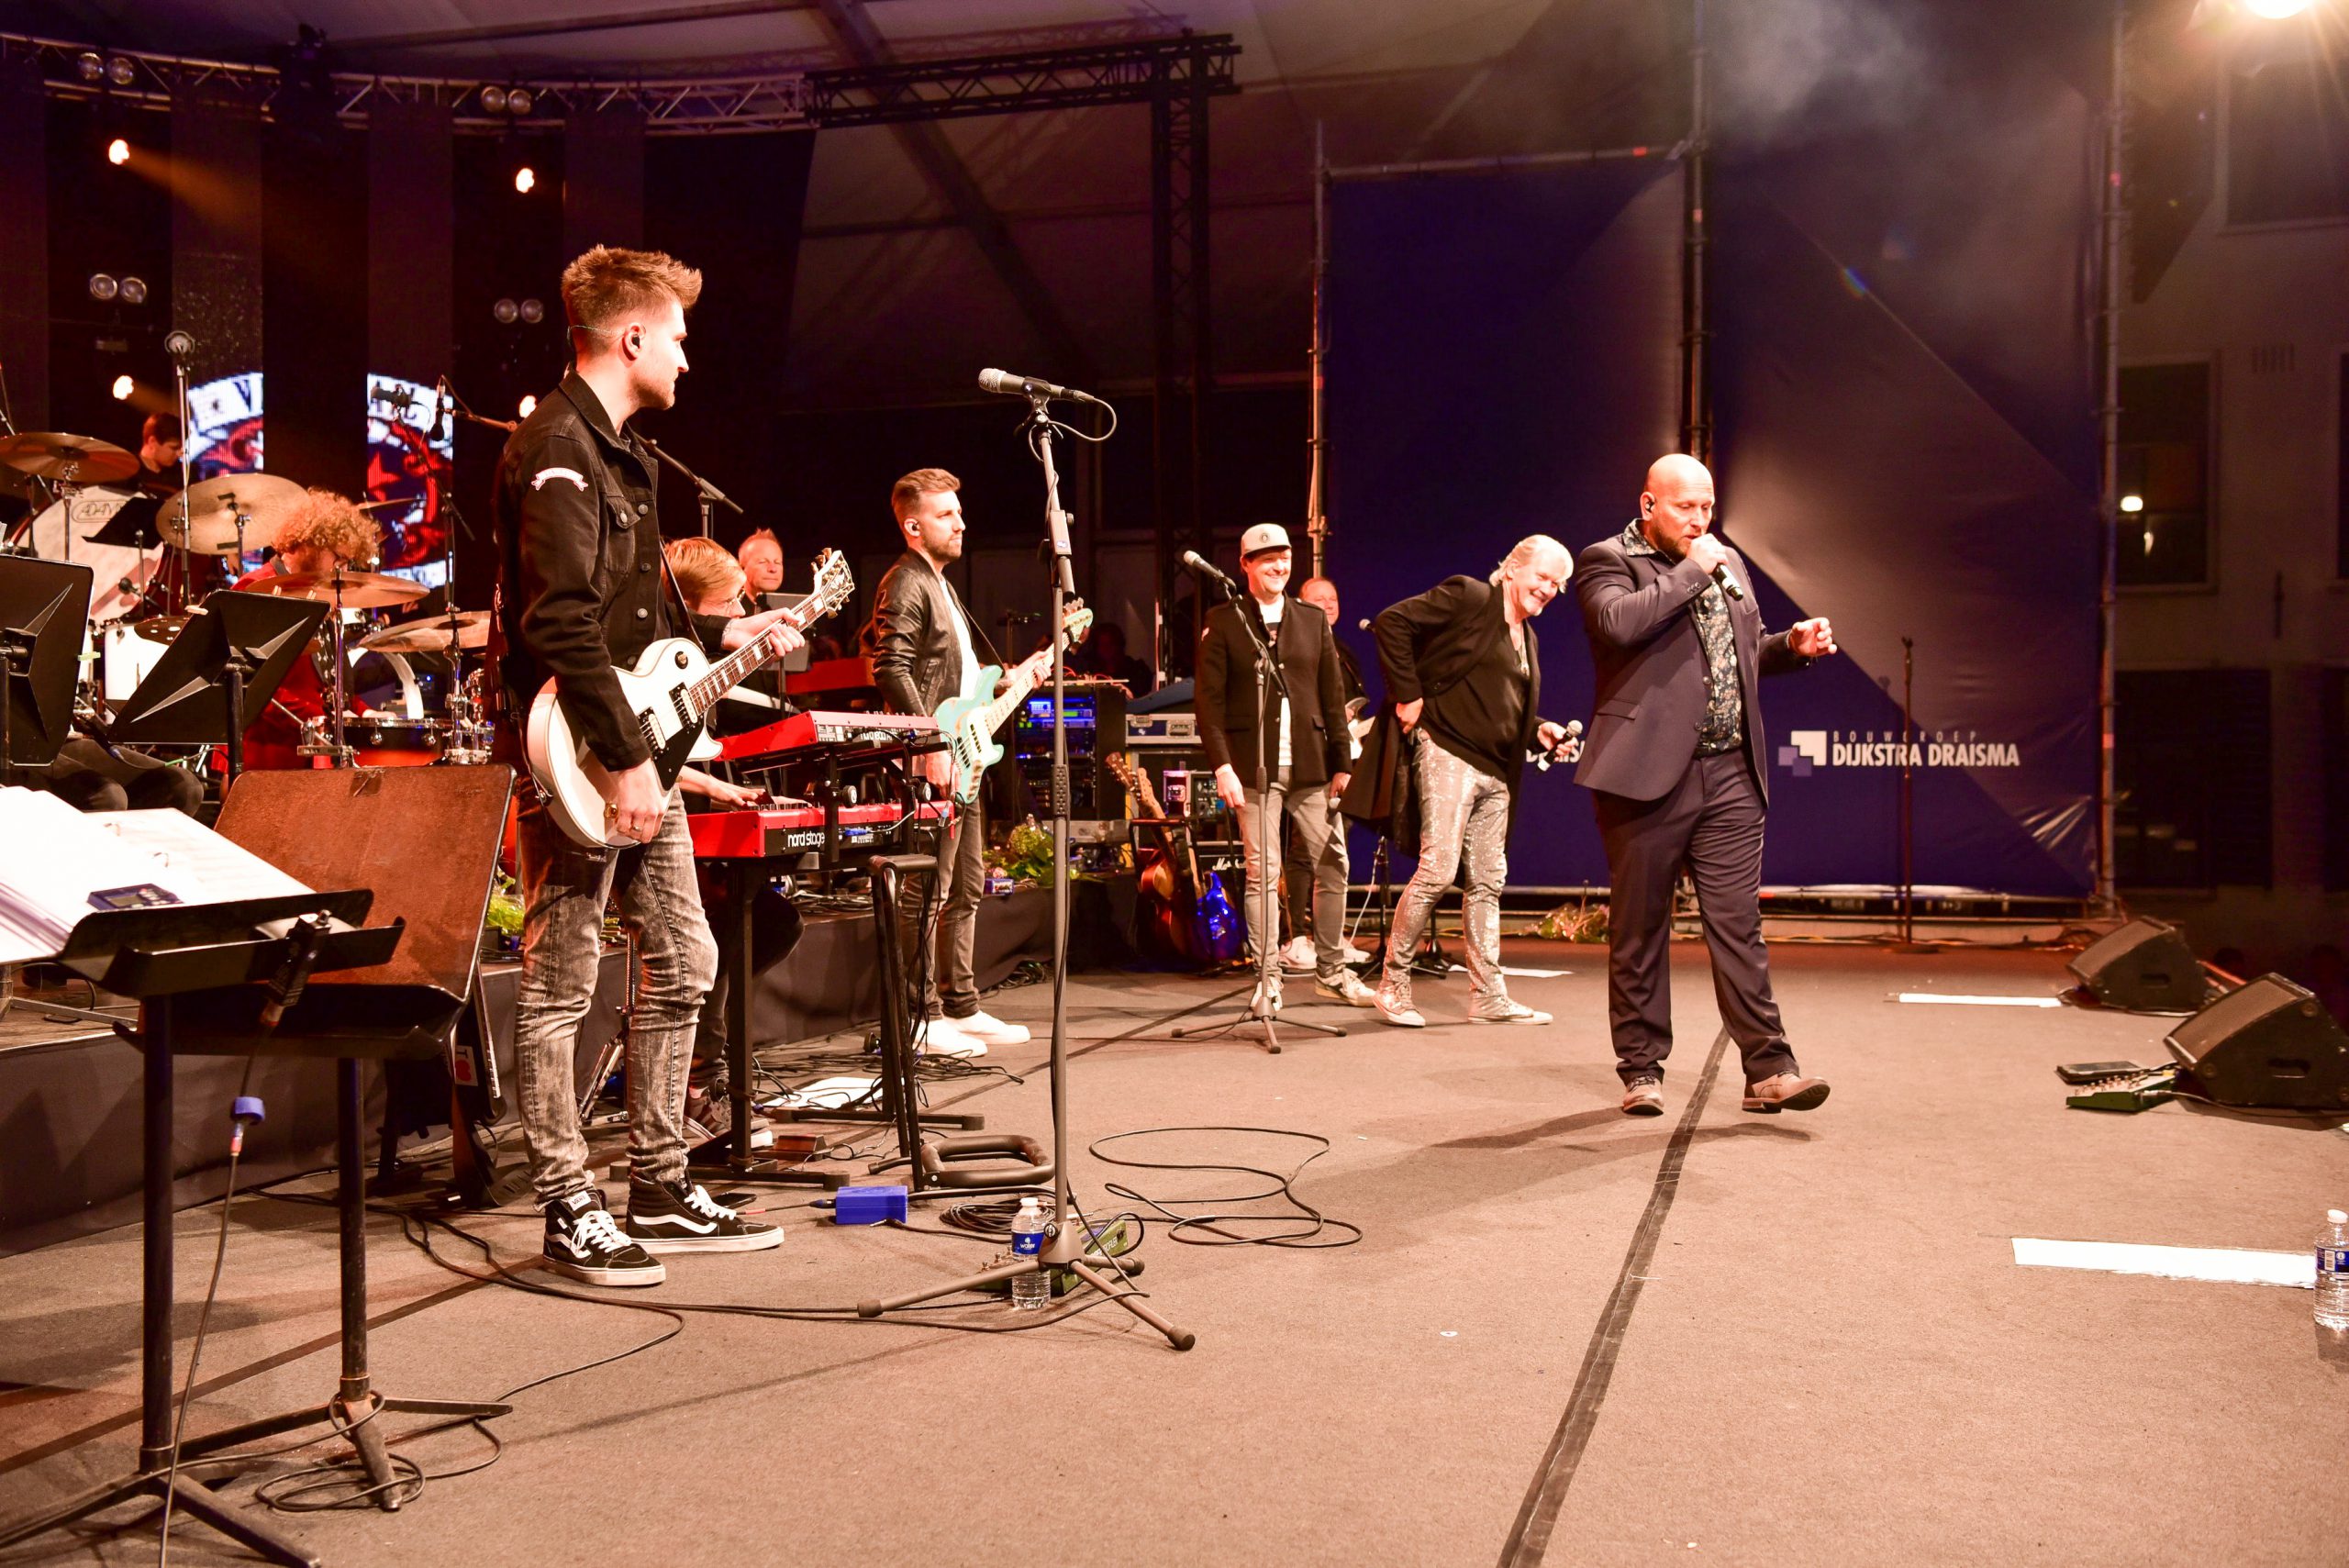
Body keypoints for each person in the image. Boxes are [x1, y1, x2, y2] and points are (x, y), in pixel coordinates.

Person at [492, 244, 806, 1286]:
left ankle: (660, 1183)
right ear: (630, 337)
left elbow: (629, 630)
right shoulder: (556, 446)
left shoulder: (626, 454)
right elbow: (559, 625)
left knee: (687, 957)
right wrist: (629, 763)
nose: (686, 357)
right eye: (675, 336)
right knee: (561, 982)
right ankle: (566, 1202)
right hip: (580, 757)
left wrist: (723, 643)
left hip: (633, 745)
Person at [1573, 453, 1838, 1118]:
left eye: (1707, 507)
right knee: (1640, 928)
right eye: (1685, 506)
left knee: (1738, 924)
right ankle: (1641, 1068)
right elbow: (1619, 624)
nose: (1699, 519)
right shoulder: (1608, 560)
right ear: (1648, 505)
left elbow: (1741, 652)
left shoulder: (1728, 562)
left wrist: (1790, 647)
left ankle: (1769, 1068)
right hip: (1644, 777)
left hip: (1730, 772)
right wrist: (1695, 569)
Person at [1368, 536, 1580, 1028]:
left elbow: (1497, 700)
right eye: (1542, 577)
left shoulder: (1527, 638)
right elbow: (1392, 622)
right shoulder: (1472, 597)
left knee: (1487, 882)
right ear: (1512, 568)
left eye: (1557, 584)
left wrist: (1538, 729)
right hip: (1448, 749)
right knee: (1438, 870)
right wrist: (1408, 694)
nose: (1548, 590)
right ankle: (1393, 984)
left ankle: (1489, 996)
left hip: (1496, 770)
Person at [867, 467, 1042, 1055]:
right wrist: (929, 744)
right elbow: (890, 667)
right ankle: (921, 1016)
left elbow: (957, 682)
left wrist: (1011, 681)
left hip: (962, 758)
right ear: (914, 526)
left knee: (965, 887)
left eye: (959, 512)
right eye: (946, 514)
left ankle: (960, 1004)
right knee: (927, 891)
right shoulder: (906, 581)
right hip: (933, 761)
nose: (961, 523)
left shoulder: (942, 585)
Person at [1197, 523, 1371, 1015]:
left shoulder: (1311, 620)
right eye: (1268, 558)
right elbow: (1209, 704)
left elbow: (1333, 696)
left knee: (1334, 862)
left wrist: (1342, 763)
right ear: (1246, 565)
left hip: (1312, 765)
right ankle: (1268, 978)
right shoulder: (1225, 620)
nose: (1279, 566)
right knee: (1262, 872)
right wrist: (1222, 766)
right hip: (1254, 766)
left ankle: (1331, 972)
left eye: (1285, 558)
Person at [229, 487, 382, 771]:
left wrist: (364, 712)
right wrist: (320, 718)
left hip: (313, 754)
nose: (341, 569)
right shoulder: (256, 587)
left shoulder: (322, 596)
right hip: (266, 756)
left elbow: (328, 681)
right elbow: (250, 684)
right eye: (338, 558)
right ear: (311, 542)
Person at [1284, 574, 1370, 973]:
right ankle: (1296, 938)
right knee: (1304, 850)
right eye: (1319, 599)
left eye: (1332, 598)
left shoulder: (1343, 649)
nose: (1328, 605)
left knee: (1337, 850)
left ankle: (1330, 939)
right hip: (1309, 758)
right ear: (1302, 605)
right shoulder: (1297, 644)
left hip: (1344, 756)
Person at [132, 412, 184, 495]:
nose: (180, 454)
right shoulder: (128, 469)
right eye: (174, 448)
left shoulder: (180, 475)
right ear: (152, 441)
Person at [736, 528, 785, 603]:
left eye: (777, 563)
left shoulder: (790, 606)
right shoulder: (727, 608)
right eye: (763, 562)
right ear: (742, 568)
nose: (773, 569)